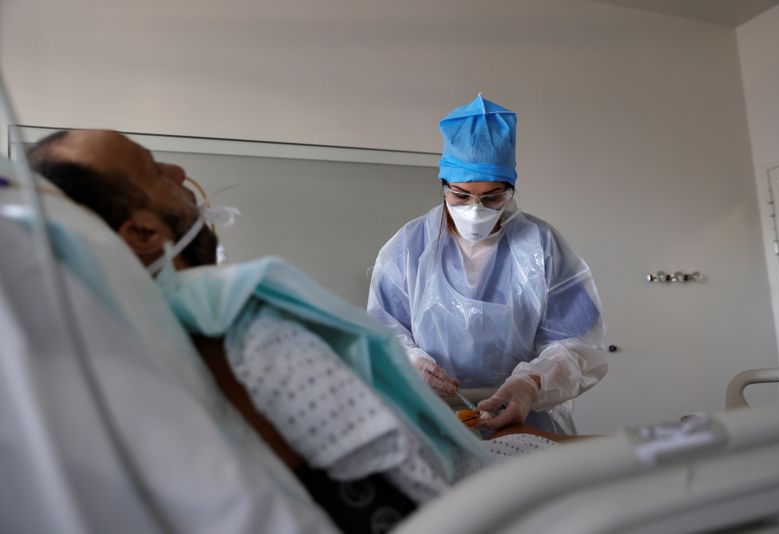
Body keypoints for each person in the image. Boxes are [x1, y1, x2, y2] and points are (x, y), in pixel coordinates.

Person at [25, 129, 496, 533]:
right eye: (151, 169)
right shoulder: (236, 325)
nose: (176, 170)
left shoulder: (131, 337)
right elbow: (410, 485)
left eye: (492, 196)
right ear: (144, 234)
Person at [368, 95, 609, 434]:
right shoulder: (410, 247)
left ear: (510, 190)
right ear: (443, 187)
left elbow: (580, 344)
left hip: (522, 420)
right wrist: (411, 364)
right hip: (428, 420)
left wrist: (528, 387)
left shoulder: (541, 246)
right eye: (461, 195)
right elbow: (382, 334)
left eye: (492, 197)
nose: (475, 209)